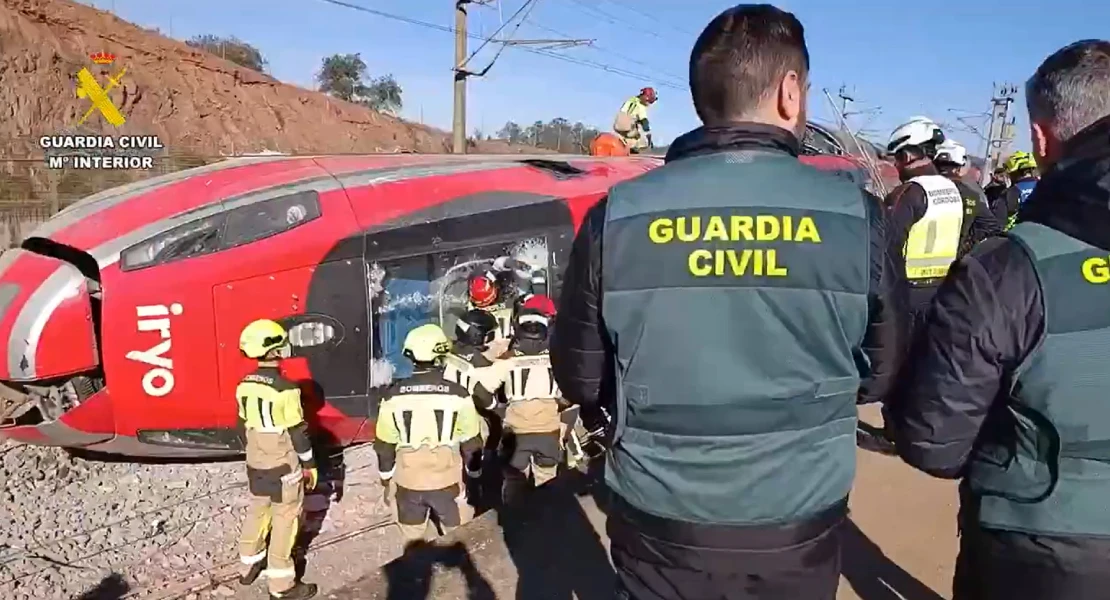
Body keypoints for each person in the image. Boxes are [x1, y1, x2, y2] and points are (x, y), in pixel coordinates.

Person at [550, 5, 905, 599]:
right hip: (798, 514)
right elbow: (881, 373)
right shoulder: (857, 217)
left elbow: (581, 376)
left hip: (658, 515)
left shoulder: (616, 215)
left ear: (701, 99)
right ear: (790, 93)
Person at [883, 39, 1110, 600]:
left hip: (1040, 541)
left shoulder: (1009, 268)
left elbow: (935, 440)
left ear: (1041, 137)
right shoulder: (966, 196)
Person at [374, 323, 483, 544]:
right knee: (457, 542)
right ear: (441, 356)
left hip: (407, 484)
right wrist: (474, 478)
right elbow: (472, 444)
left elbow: (384, 447)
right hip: (448, 483)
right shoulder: (459, 395)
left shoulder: (391, 396)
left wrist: (386, 482)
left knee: (413, 543)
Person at [884, 118, 995, 335]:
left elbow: (886, 246)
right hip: (944, 291)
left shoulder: (908, 193)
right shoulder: (957, 192)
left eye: (897, 158)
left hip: (906, 296)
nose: (896, 166)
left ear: (906, 156)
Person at [235, 319, 318, 600]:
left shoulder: (244, 384)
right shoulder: (286, 389)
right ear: (274, 349)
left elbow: (241, 424)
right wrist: (309, 463)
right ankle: (281, 585)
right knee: (286, 517)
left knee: (258, 509)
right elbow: (298, 430)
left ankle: (248, 564)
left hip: (256, 459)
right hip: (282, 462)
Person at [473, 299, 565, 505]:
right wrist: (558, 405)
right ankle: (547, 526)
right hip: (548, 433)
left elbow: (480, 390)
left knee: (514, 484)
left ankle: (516, 525)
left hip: (515, 435)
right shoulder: (556, 360)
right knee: (548, 483)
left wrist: (496, 408)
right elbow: (572, 390)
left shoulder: (509, 360)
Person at [933, 139, 1002, 257]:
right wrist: (967, 244)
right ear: (960, 167)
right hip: (954, 262)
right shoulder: (971, 195)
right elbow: (992, 226)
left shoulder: (921, 189)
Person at [999, 150, 1040, 229]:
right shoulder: (1048, 188)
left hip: (1015, 237)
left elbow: (998, 223)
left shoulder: (1009, 193)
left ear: (1015, 172)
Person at [614, 87, 657, 153]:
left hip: (618, 122)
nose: (649, 104)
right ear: (646, 98)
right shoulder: (641, 106)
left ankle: (622, 143)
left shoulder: (631, 99)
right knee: (641, 138)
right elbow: (645, 123)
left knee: (625, 134)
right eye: (649, 102)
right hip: (628, 125)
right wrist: (649, 136)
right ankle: (632, 148)